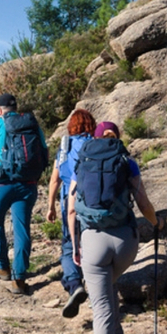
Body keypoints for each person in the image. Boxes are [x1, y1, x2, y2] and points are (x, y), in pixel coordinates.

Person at [69, 121, 163, 334]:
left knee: (101, 309)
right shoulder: (126, 161)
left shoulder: (82, 160)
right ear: (117, 138)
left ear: (95, 138)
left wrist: (76, 245)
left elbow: (72, 210)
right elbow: (143, 203)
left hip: (93, 242)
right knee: (109, 289)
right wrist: (156, 223)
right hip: (125, 242)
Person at [0, 93, 47, 295]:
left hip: (0, 184)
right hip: (27, 183)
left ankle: (3, 266)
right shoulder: (31, 124)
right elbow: (44, 150)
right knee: (21, 229)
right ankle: (19, 278)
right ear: (15, 108)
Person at [46, 109, 97, 318]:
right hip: (93, 201)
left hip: (70, 201)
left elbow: (54, 180)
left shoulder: (65, 148)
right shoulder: (96, 144)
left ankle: (75, 284)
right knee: (91, 244)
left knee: (69, 246)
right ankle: (97, 291)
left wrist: (50, 206)